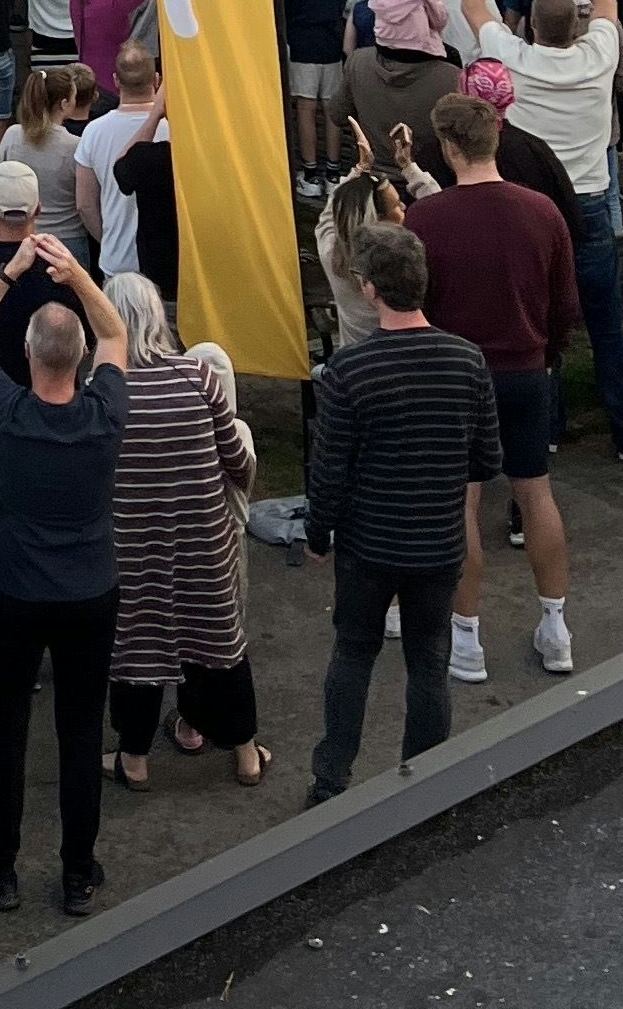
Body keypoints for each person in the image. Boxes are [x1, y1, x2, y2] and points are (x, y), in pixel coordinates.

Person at [0, 235, 126, 918]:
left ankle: (0, 866)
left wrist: (12, 270)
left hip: (14, 590)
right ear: (80, 359)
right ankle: (78, 872)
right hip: (90, 591)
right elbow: (115, 332)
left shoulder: (4, 411)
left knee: (6, 728)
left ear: (26, 355)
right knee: (81, 732)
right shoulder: (104, 414)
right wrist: (77, 274)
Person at [303, 223, 502, 799]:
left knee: (353, 654)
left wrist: (317, 534)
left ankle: (332, 778)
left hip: (368, 546)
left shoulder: (349, 372)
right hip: (438, 543)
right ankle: (425, 782)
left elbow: (329, 471)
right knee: (429, 660)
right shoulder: (467, 360)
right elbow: (487, 459)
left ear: (368, 288)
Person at [407, 90, 580, 681]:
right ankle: (556, 627)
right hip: (527, 371)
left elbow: (417, 305)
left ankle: (466, 638)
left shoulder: (426, 218)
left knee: (463, 503)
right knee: (536, 494)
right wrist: (544, 355)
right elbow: (565, 304)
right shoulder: (542, 211)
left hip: (457, 378)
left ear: (448, 148)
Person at [463, 0, 623, 463]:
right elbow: (608, 3)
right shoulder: (600, 53)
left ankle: (545, 428)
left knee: (539, 324)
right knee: (606, 323)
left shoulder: (513, 57)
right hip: (588, 205)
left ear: (530, 26)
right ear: (577, 27)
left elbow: (473, 4)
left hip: (533, 209)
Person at [99, 277, 266, 788]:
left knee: (137, 649)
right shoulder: (197, 375)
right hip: (203, 540)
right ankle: (245, 754)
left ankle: (135, 760)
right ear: (158, 316)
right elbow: (236, 459)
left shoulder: (106, 391)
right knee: (220, 643)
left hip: (133, 545)